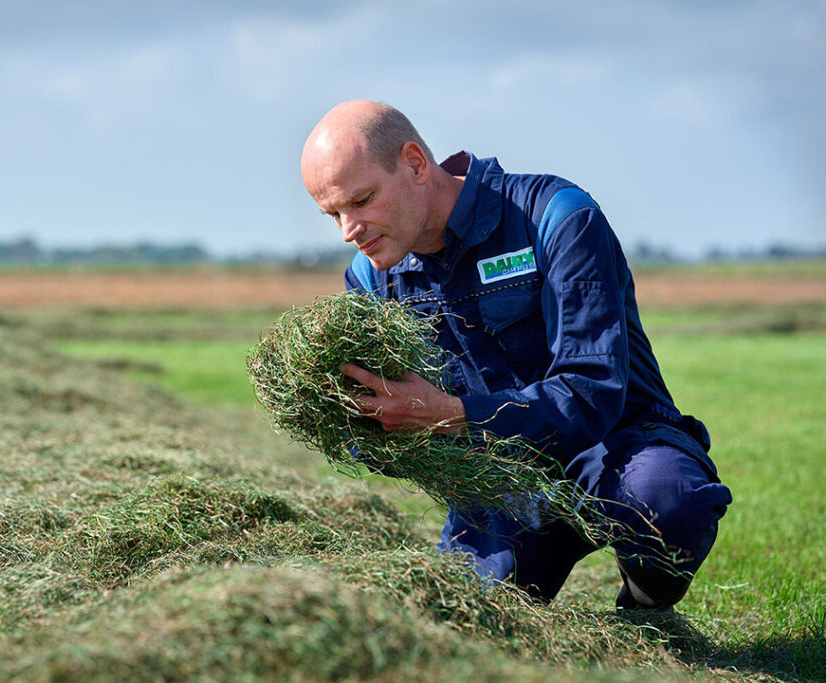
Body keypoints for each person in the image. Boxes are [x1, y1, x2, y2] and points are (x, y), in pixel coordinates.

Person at [300, 100, 732, 609]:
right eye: (333, 214)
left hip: (619, 443)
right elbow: (392, 428)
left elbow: (592, 389)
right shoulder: (372, 277)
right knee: (460, 618)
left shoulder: (557, 216)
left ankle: (644, 608)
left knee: (669, 503)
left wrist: (449, 416)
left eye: (362, 199)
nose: (349, 229)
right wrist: (361, 422)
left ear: (415, 164)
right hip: (502, 476)